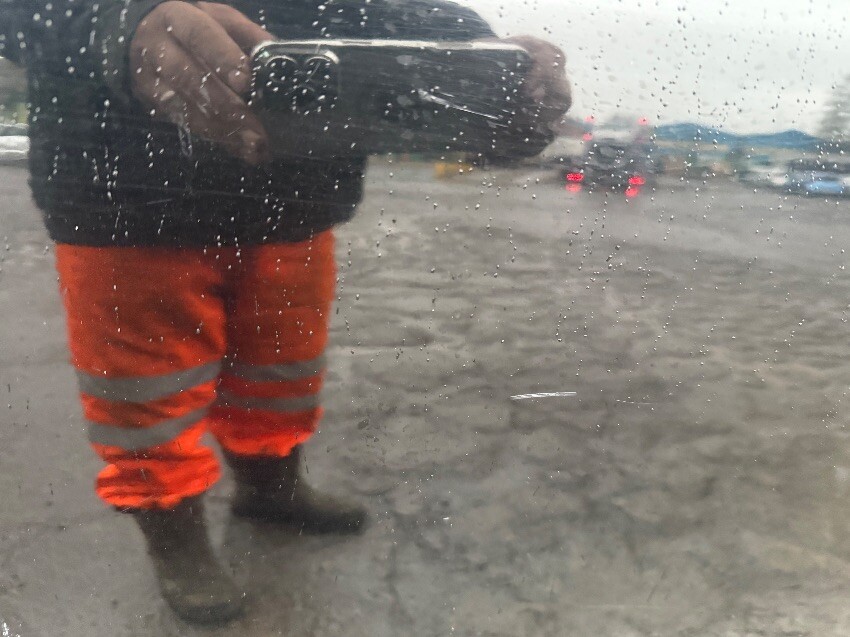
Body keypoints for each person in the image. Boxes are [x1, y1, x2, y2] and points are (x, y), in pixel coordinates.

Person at [0, 0, 571, 624]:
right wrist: (118, 23)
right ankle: (173, 535)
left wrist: (486, 57)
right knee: (145, 401)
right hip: (125, 207)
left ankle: (269, 491)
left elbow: (382, 12)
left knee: (280, 374)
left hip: (291, 200)